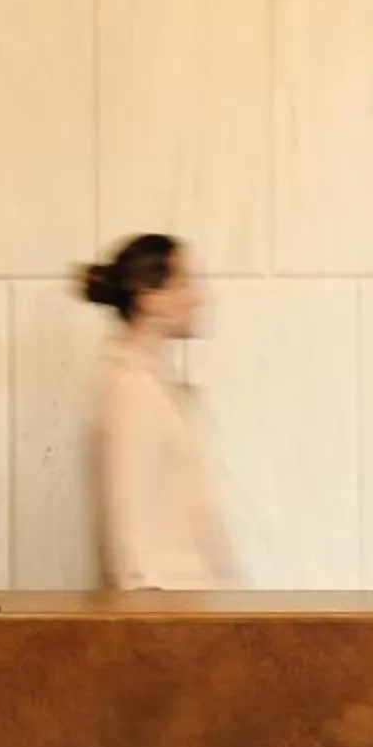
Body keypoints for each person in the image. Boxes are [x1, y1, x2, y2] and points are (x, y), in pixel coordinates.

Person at [79, 233, 239, 591]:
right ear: (150, 298)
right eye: (185, 282)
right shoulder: (129, 390)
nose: (199, 297)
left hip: (191, 614)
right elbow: (128, 536)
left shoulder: (151, 384)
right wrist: (150, 636)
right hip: (170, 620)